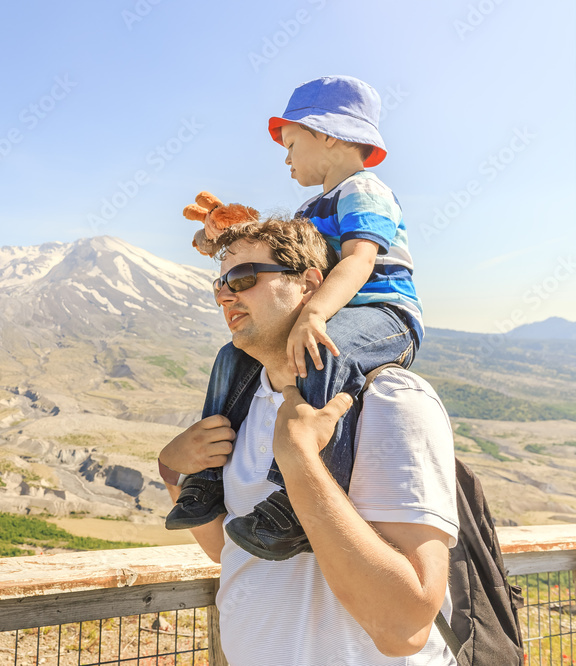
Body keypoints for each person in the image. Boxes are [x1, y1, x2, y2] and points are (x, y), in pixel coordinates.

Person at [158, 217, 458, 664]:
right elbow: (235, 555)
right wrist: (171, 470)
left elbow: (404, 629)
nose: (225, 294)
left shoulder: (390, 400)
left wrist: (299, 462)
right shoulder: (246, 404)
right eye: (220, 282)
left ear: (311, 283)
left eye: (243, 278)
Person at [167, 76, 424, 561]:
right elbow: (283, 256)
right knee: (230, 359)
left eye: (290, 143)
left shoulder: (365, 191)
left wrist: (317, 314)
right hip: (335, 310)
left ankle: (300, 502)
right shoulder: (311, 208)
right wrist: (224, 240)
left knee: (330, 351)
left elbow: (359, 261)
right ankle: (205, 477)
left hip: (383, 315)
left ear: (327, 134)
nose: (285, 159)